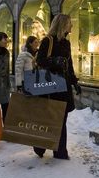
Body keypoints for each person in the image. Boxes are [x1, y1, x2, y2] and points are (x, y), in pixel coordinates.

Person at [34, 13, 81, 160]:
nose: (72, 25)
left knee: (61, 117)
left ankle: (60, 152)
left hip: (64, 84)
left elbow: (70, 64)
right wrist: (55, 61)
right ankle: (40, 146)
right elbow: (40, 60)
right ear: (62, 24)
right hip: (50, 84)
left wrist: (74, 81)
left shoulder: (66, 43)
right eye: (69, 23)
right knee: (50, 117)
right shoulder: (48, 41)